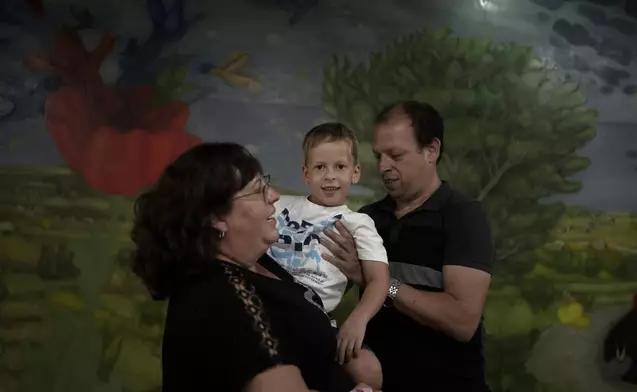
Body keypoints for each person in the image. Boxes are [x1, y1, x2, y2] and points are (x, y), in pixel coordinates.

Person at [130, 142, 378, 392]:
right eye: (258, 190)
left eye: (266, 184)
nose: (274, 195)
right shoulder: (222, 297)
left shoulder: (258, 261)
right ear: (217, 218)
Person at [320, 101, 496, 391]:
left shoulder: (464, 216)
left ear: (432, 151)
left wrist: (380, 283)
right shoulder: (367, 218)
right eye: (378, 155)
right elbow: (322, 286)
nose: (383, 166)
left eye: (395, 155)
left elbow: (462, 321)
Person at [267, 123, 389, 389]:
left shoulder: (358, 222)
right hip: (268, 307)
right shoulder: (279, 204)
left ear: (355, 173)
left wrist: (357, 320)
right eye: (320, 167)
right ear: (306, 173)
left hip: (313, 319)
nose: (330, 176)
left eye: (340, 167)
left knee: (369, 370)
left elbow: (379, 280)